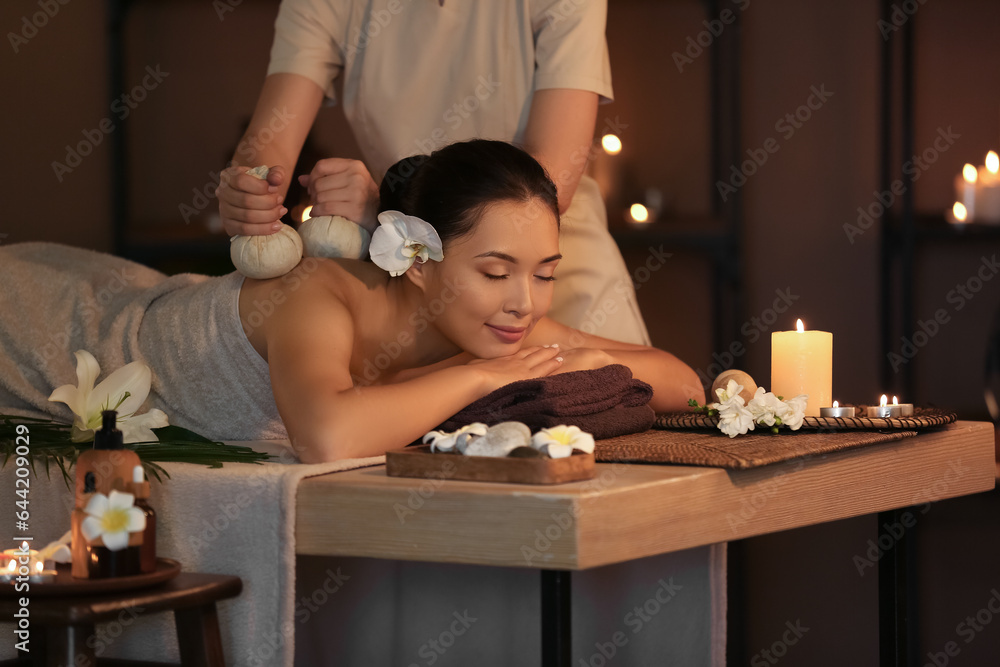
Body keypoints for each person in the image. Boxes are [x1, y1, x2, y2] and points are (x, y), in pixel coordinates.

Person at [0, 141, 701, 464]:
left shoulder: (490, 315)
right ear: (417, 260)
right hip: (56, 325)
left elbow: (682, 382)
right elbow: (327, 437)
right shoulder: (318, 297)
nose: (524, 301)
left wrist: (564, 353)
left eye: (545, 273)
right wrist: (490, 376)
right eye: (495, 270)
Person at [216, 0, 652, 345]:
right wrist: (250, 186)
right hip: (414, 262)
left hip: (547, 254)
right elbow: (270, 138)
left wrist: (388, 203)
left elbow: (552, 177)